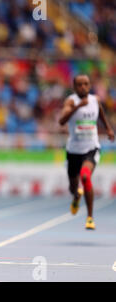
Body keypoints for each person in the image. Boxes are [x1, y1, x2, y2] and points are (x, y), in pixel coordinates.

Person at [59, 74, 114, 230]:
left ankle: (90, 217)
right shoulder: (70, 102)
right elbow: (61, 121)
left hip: (91, 148)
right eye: (80, 85)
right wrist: (77, 107)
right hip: (73, 150)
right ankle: (76, 196)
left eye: (86, 84)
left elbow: (101, 115)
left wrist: (109, 129)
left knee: (85, 176)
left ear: (90, 86)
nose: (83, 87)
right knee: (72, 187)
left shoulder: (95, 100)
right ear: (74, 87)